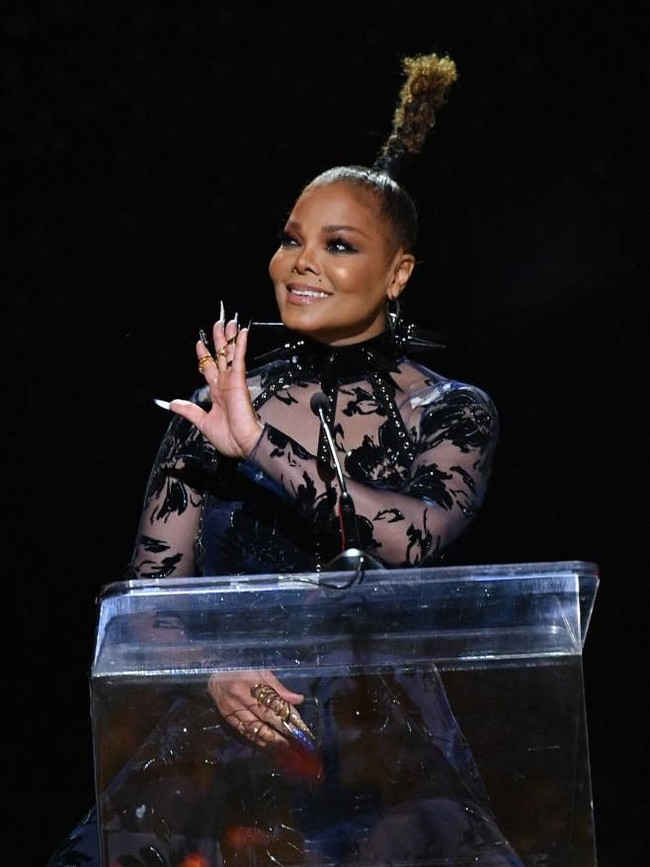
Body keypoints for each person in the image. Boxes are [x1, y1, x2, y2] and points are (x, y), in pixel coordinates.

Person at [47, 52, 524, 866]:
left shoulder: (452, 410)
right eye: (290, 238)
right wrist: (213, 670)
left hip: (387, 757)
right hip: (229, 744)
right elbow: (147, 601)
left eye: (338, 245)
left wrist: (257, 445)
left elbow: (411, 539)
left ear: (398, 272)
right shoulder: (216, 403)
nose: (299, 262)